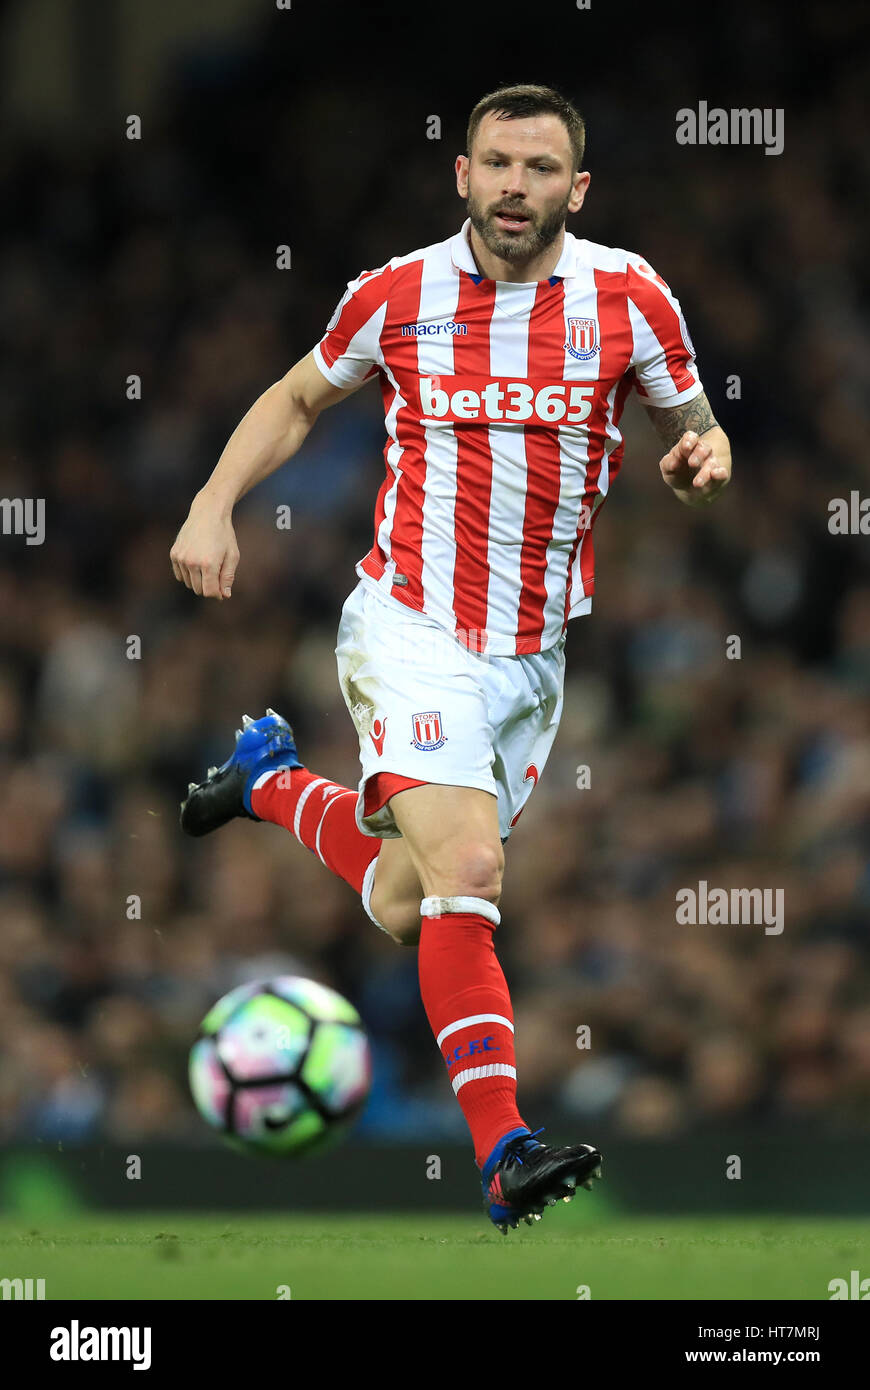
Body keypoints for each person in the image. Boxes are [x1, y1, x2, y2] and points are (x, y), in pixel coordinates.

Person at [170, 83, 731, 1232]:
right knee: (470, 873)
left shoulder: (629, 296)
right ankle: (503, 1149)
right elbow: (295, 394)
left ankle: (271, 783)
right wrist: (214, 502)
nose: (515, 185)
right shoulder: (399, 293)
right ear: (461, 176)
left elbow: (693, 417)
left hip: (532, 661)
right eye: (496, 163)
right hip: (411, 625)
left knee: (406, 898)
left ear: (577, 188)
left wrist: (703, 451)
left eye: (540, 168)